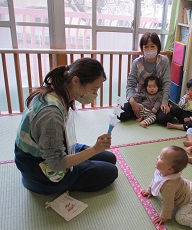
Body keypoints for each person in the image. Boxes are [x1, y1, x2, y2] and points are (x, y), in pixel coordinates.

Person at [14, 58, 118, 195]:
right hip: (38, 169)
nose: (95, 94)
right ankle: (58, 185)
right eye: (94, 89)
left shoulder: (58, 92)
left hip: (51, 150)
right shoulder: (50, 113)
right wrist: (94, 149)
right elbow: (55, 163)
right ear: (75, 81)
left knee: (110, 158)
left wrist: (95, 149)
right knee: (111, 171)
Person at [141, 146, 192, 230]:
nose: (157, 157)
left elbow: (168, 204)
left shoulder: (168, 186)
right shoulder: (162, 171)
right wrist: (149, 191)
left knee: (180, 218)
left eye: (161, 158)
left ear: (170, 169)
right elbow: (155, 180)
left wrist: (164, 216)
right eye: (160, 155)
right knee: (183, 183)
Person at [118, 32, 173, 125]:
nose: (149, 50)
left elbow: (166, 83)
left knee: (165, 119)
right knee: (120, 114)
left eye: (152, 46)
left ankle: (144, 114)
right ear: (142, 48)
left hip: (157, 99)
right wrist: (132, 101)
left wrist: (164, 102)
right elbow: (130, 84)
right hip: (140, 97)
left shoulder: (164, 61)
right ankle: (143, 113)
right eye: (146, 47)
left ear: (158, 47)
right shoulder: (137, 62)